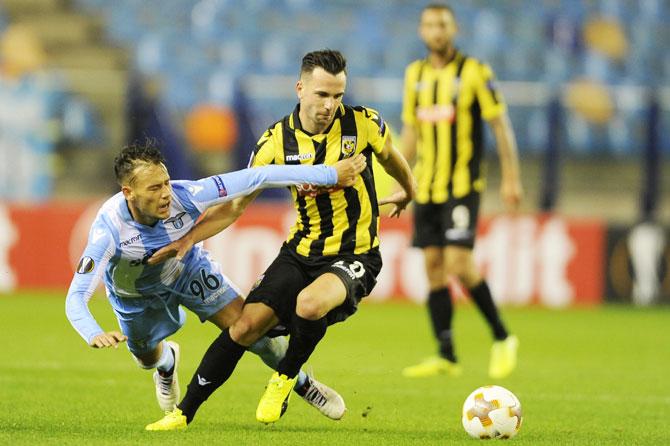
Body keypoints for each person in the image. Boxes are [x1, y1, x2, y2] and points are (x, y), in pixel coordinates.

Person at [145, 49, 415, 430]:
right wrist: (189, 239)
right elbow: (236, 206)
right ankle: (183, 412)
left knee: (309, 304)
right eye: (322, 95)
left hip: (356, 254)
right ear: (300, 88)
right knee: (244, 327)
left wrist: (410, 188)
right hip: (300, 251)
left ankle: (285, 378)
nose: (330, 105)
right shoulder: (275, 143)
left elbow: (390, 157)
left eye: (338, 96)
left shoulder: (362, 124)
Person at [65, 141, 366, 418]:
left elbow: (258, 176)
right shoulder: (108, 231)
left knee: (252, 331)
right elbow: (76, 296)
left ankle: (299, 382)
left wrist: (328, 173)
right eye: (154, 188)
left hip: (188, 271)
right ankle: (167, 364)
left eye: (166, 183)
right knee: (146, 358)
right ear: (128, 192)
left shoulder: (188, 195)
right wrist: (93, 332)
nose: (166, 194)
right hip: (136, 297)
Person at [399, 3, 522, 380]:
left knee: (457, 264)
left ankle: (503, 336)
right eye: (430, 24)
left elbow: (500, 126)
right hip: (427, 187)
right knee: (433, 268)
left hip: (462, 187)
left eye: (443, 24)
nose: (436, 31)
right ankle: (446, 354)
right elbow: (411, 135)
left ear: (453, 30)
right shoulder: (415, 74)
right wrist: (400, 185)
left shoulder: (474, 72)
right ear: (422, 31)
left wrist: (511, 178)